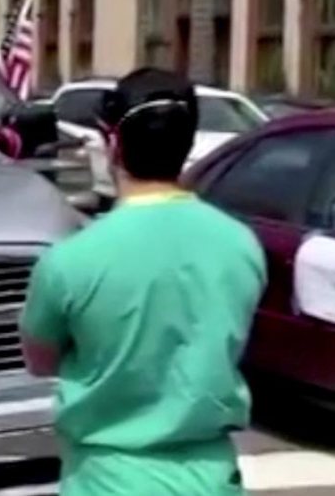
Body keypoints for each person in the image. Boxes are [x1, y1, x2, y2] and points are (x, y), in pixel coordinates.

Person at [19, 68, 266, 496]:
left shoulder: (70, 261)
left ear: (113, 143)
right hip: (210, 476)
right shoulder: (241, 246)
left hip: (107, 478)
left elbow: (41, 359)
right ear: (188, 141)